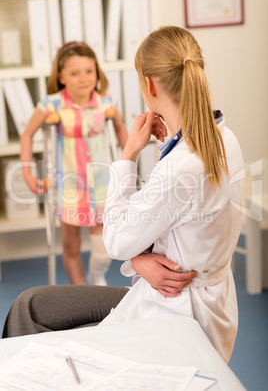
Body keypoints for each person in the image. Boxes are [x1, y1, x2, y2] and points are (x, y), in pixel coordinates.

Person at [3, 26, 244, 364]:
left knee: (28, 313)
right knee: (32, 305)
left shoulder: (178, 168)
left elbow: (117, 242)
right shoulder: (223, 135)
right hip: (194, 294)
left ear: (148, 84)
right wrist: (139, 261)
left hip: (171, 308)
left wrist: (127, 156)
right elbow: (180, 214)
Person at [20, 41, 128, 286]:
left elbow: (121, 131)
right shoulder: (51, 104)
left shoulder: (106, 103)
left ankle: (95, 275)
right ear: (61, 77)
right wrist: (27, 173)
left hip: (102, 184)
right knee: (71, 243)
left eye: (89, 71)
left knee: (103, 245)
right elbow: (27, 134)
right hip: (69, 185)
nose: (83, 78)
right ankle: (82, 293)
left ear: (97, 73)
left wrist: (129, 163)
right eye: (74, 73)